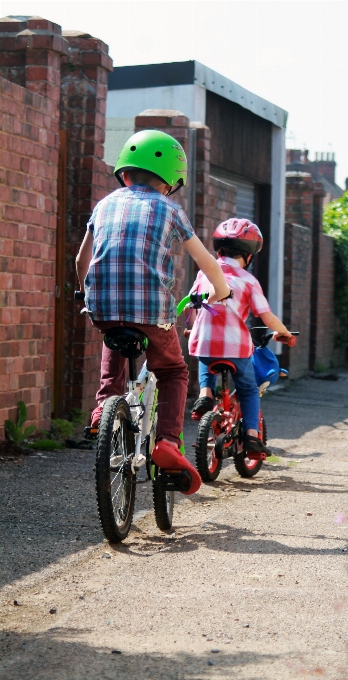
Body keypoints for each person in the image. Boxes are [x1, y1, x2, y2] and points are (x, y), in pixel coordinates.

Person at [75, 129, 230, 495]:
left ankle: (102, 410)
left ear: (124, 174)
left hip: (103, 306)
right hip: (152, 312)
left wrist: (84, 291)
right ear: (171, 183)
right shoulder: (170, 209)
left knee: (114, 334)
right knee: (174, 370)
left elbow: (81, 258)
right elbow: (206, 261)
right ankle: (167, 443)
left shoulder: (104, 205)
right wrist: (222, 291)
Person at [188, 218, 292, 454]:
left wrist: (192, 327)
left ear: (219, 250)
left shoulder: (204, 274)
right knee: (248, 390)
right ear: (249, 256)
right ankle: (252, 436)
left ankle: (206, 394)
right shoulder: (248, 280)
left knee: (207, 357)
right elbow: (266, 316)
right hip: (236, 348)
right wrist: (283, 332)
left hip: (203, 341)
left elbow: (192, 306)